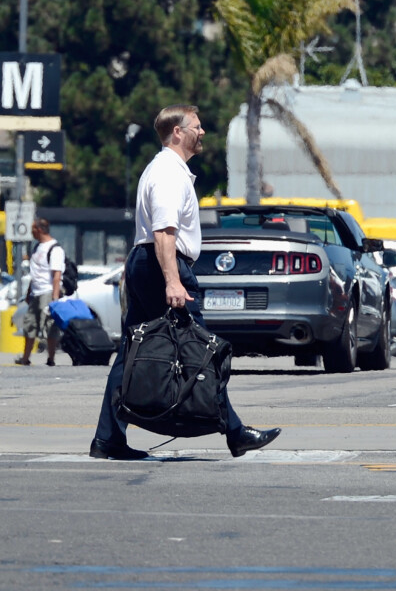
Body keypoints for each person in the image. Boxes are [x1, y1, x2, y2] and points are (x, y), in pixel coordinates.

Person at [90, 104, 281, 460]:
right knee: (200, 347)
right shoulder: (168, 173)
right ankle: (235, 432)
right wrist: (173, 282)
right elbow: (164, 233)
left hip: (150, 263)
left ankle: (108, 438)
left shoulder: (166, 170)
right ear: (177, 132)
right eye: (197, 126)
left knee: (131, 352)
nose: (203, 131)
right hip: (162, 263)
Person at [17, 218, 63, 367]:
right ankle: (25, 358)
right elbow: (34, 272)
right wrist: (29, 292)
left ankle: (51, 358)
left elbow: (56, 276)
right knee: (29, 324)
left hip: (47, 292)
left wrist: (55, 298)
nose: (32, 233)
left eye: (34, 230)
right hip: (35, 292)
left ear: (40, 230)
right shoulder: (37, 247)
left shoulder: (55, 249)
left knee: (49, 326)